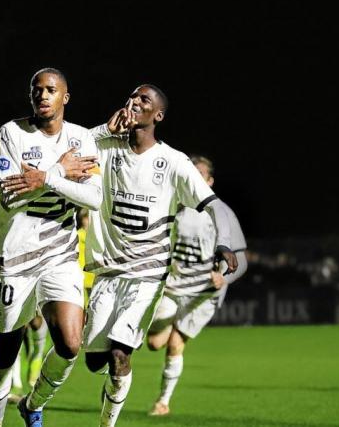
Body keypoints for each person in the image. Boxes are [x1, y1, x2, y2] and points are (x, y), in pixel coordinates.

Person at [81, 84, 238, 427]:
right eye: (133, 97)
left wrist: (224, 245)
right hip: (112, 274)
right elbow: (67, 145)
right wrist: (103, 130)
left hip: (160, 280)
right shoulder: (106, 146)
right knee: (100, 359)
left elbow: (218, 208)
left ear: (159, 115)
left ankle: (115, 420)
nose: (135, 102)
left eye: (144, 100)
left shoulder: (174, 162)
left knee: (128, 351)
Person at [0, 67, 102, 427]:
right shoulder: (11, 133)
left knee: (69, 343)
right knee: (6, 352)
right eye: (37, 90)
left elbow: (94, 198)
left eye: (51, 90)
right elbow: (7, 195)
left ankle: (33, 404)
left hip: (60, 254)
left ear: (65, 97)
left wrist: (43, 177)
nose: (43, 95)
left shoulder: (81, 140)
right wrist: (61, 172)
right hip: (13, 256)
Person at [146, 155, 248, 416]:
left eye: (200, 174)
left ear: (210, 181)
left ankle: (163, 402)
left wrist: (224, 277)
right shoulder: (173, 204)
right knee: (155, 343)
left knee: (175, 343)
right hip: (172, 287)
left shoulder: (222, 213)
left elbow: (242, 259)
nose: (194, 178)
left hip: (203, 293)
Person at [75, 207, 95, 306]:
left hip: (94, 278)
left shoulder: (96, 236)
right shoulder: (77, 235)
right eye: (87, 218)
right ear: (82, 219)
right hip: (81, 278)